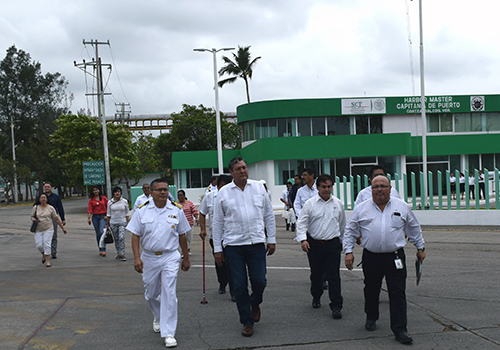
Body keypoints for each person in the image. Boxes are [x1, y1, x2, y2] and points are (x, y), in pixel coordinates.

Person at [344, 175, 426, 345]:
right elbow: (350, 230)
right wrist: (348, 252)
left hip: (394, 257)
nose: (379, 189)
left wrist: (420, 248)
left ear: (390, 189)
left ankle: (400, 329)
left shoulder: (401, 206)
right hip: (371, 257)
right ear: (371, 190)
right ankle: (371, 317)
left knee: (397, 292)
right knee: (371, 289)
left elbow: (413, 227)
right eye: (375, 187)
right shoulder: (361, 208)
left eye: (383, 186)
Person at [212, 156, 276, 337]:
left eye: (244, 168)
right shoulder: (223, 193)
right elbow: (217, 223)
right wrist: (218, 249)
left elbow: (269, 215)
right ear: (231, 173)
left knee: (259, 281)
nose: (242, 171)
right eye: (238, 169)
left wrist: (271, 238)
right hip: (233, 246)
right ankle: (247, 321)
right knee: (239, 286)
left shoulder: (258, 188)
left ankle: (255, 302)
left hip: (256, 243)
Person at [127, 179, 190, 348]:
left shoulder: (176, 210)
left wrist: (186, 257)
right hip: (149, 257)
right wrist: (136, 257)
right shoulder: (142, 211)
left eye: (165, 189)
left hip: (170, 256)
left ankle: (169, 333)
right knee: (151, 293)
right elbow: (135, 235)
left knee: (169, 292)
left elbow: (182, 234)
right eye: (159, 190)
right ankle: (158, 315)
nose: (163, 192)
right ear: (151, 192)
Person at [295, 174, 346, 319]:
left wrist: (342, 242)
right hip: (314, 244)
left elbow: (342, 225)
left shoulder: (338, 204)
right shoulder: (310, 204)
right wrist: (303, 240)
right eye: (323, 186)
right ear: (317, 187)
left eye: (329, 186)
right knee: (316, 274)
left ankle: (336, 305)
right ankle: (316, 295)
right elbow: (302, 223)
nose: (326, 189)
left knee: (334, 276)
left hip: (332, 244)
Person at [199, 174, 234, 299]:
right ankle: (222, 283)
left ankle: (234, 288)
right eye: (221, 186)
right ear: (217, 186)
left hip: (232, 236)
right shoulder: (209, 197)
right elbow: (202, 213)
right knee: (220, 262)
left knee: (233, 263)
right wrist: (203, 229)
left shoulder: (236, 197)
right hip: (216, 236)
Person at [31, 193, 67, 267]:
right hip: (38, 229)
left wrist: (62, 228)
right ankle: (43, 254)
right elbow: (32, 216)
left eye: (44, 197)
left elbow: (56, 219)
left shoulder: (51, 208)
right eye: (42, 198)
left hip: (48, 229)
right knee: (39, 245)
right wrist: (33, 219)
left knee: (47, 244)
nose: (43, 199)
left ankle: (48, 261)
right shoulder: (35, 207)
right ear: (39, 199)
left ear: (47, 199)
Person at [39, 182, 65, 259]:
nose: (47, 188)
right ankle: (46, 252)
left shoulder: (56, 197)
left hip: (53, 218)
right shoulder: (41, 197)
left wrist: (63, 219)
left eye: (48, 187)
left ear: (51, 188)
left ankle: (53, 252)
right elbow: (36, 207)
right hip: (43, 219)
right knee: (44, 236)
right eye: (45, 187)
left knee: (53, 236)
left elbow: (60, 208)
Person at [106, 186, 130, 261]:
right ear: (113, 193)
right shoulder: (110, 202)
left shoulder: (124, 201)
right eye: (116, 192)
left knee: (121, 237)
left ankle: (122, 254)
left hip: (122, 222)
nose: (117, 193)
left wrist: (126, 221)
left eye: (119, 192)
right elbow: (108, 214)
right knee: (116, 239)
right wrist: (107, 224)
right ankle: (119, 253)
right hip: (113, 222)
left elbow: (127, 212)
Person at [87, 186, 109, 256]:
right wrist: (89, 218)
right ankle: (100, 248)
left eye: (97, 190)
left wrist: (107, 215)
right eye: (94, 190)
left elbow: (108, 207)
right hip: (95, 217)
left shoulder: (104, 198)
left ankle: (103, 248)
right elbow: (90, 209)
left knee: (101, 232)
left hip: (103, 216)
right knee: (98, 233)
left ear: (99, 190)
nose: (96, 191)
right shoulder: (91, 200)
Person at [177, 190, 199, 255]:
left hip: (189, 224)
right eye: (178, 195)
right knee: (183, 238)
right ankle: (183, 251)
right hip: (180, 225)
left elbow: (194, 211)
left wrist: (197, 218)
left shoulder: (189, 203)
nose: (180, 197)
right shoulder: (176, 204)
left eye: (181, 195)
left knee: (189, 238)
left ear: (184, 196)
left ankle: (188, 249)